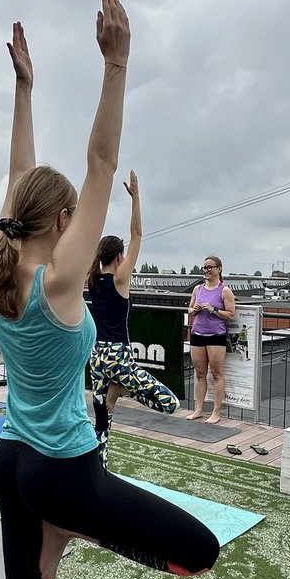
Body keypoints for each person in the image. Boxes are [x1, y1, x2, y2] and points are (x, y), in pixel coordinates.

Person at [0, 2, 218, 579]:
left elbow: (17, 172)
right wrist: (116, 64)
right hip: (62, 471)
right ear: (60, 223)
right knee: (199, 552)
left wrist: (24, 89)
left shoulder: (0, 273)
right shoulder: (56, 284)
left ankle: (53, 545)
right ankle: (67, 529)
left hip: (13, 459)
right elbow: (101, 164)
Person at [86, 170, 180, 468]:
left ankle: (98, 471)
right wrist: (136, 197)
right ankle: (119, 389)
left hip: (96, 357)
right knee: (170, 404)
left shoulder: (92, 279)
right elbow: (138, 234)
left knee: (101, 422)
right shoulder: (119, 278)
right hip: (117, 357)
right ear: (118, 256)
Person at [185, 255, 235, 424]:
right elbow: (190, 309)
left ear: (219, 269)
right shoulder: (198, 289)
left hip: (216, 336)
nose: (206, 270)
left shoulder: (224, 290)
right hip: (197, 334)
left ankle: (216, 412)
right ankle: (198, 409)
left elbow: (230, 314)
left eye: (209, 267)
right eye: (204, 267)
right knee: (199, 373)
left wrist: (213, 310)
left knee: (217, 374)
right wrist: (195, 310)